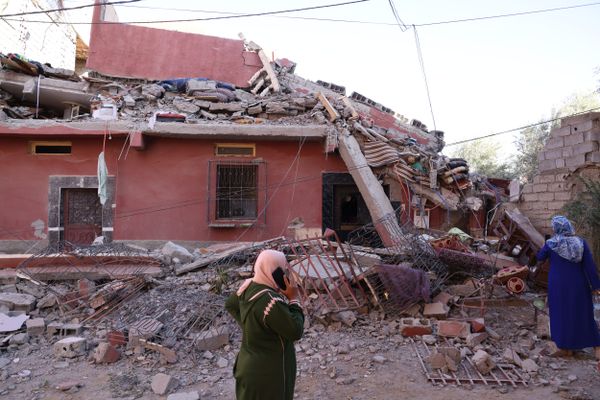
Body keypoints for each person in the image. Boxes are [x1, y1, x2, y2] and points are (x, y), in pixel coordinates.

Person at [225, 250, 304, 400]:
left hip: (247, 366)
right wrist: (294, 299)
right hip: (268, 374)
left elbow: (231, 305)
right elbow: (295, 331)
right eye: (283, 269)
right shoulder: (271, 301)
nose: (286, 273)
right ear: (274, 271)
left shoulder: (247, 288)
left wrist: (252, 328)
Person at [537, 215, 600, 365]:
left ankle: (565, 347)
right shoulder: (581, 243)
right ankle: (596, 346)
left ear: (556, 228)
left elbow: (540, 257)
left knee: (561, 314)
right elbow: (589, 267)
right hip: (578, 284)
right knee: (583, 314)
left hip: (558, 286)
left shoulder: (551, 244)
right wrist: (596, 286)